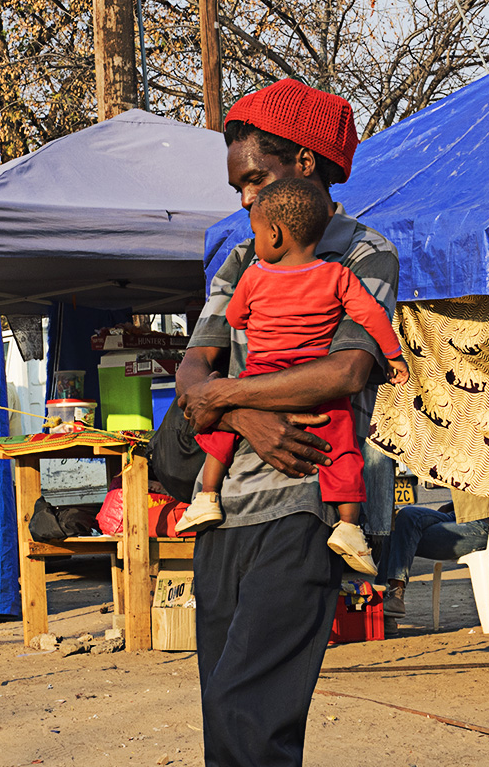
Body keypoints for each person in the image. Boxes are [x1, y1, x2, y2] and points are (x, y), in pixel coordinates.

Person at [174, 78, 400, 767]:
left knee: (254, 709)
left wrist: (230, 398)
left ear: (305, 163)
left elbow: (346, 372)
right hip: (224, 514)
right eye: (239, 186)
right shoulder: (241, 258)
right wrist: (241, 415)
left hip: (307, 503)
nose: (244, 200)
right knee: (223, 713)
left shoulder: (364, 254)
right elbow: (191, 373)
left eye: (255, 179)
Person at [175, 178, 409, 578]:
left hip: (261, 372)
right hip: (312, 381)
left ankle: (207, 497)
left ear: (276, 234)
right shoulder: (338, 276)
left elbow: (233, 318)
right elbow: (371, 317)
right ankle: (350, 526)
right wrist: (394, 358)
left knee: (219, 436)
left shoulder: (252, 274)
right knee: (344, 452)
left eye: (255, 232)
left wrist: (247, 327)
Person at [382, 454, 489, 618]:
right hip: (461, 517)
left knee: (400, 535)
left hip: (487, 529)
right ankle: (388, 602)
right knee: (405, 516)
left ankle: (394, 596)